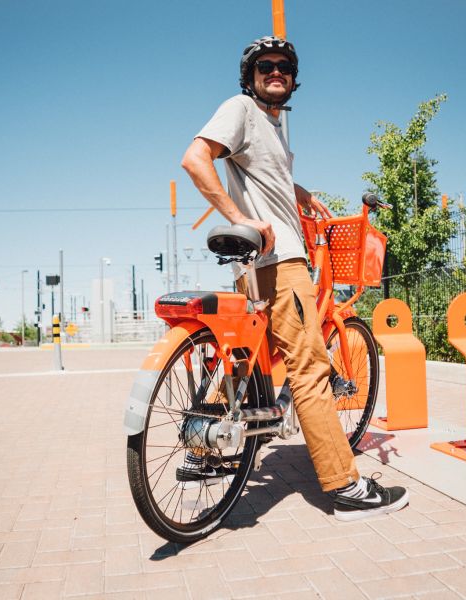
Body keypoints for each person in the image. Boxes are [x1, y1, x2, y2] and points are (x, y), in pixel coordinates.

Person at [180, 36, 408, 521]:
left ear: (293, 78)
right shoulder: (242, 108)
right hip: (281, 261)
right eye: (265, 65)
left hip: (253, 270)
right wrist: (240, 218)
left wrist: (297, 190)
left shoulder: (273, 127)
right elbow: (195, 159)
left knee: (246, 367)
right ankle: (346, 486)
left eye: (284, 66)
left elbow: (262, 174)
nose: (276, 71)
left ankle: (203, 454)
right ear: (250, 76)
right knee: (310, 369)